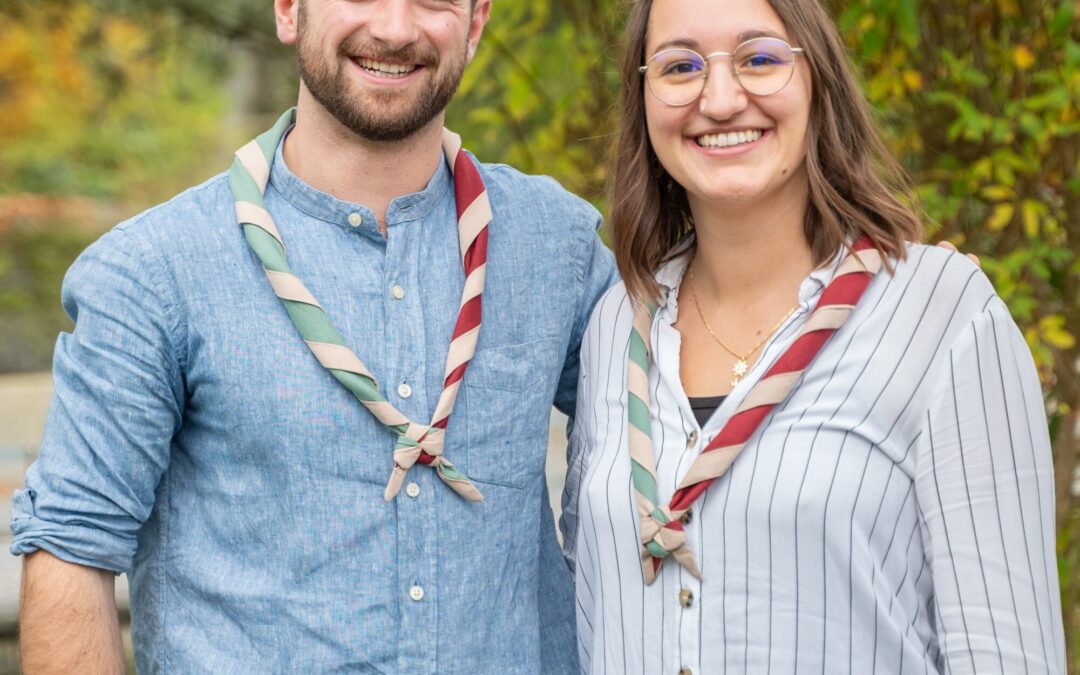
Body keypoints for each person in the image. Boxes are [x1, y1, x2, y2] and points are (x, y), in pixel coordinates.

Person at [11, 0, 618, 672]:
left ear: (475, 23)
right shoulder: (155, 273)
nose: (394, 28)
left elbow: (665, 454)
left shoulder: (558, 247)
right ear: (287, 10)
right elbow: (72, 550)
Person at [561, 0, 1066, 673]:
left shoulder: (943, 317)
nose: (719, 97)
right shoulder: (616, 325)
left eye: (759, 59)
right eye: (679, 66)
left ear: (817, 76)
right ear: (643, 97)